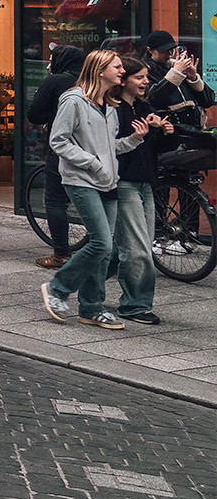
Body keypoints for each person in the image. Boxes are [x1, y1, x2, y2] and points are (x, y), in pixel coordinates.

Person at [40, 50, 149, 330]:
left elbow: (109, 147)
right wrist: (92, 163)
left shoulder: (109, 105)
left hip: (107, 181)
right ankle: (57, 288)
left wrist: (134, 140)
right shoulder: (73, 100)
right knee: (101, 243)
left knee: (102, 249)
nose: (122, 72)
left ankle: (91, 308)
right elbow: (59, 141)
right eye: (117, 67)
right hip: (81, 180)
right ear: (99, 70)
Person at [109, 60, 170, 326]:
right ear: (124, 80)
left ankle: (77, 282)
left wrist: (165, 132)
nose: (145, 82)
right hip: (124, 182)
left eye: (146, 77)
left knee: (118, 250)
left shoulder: (145, 108)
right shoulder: (113, 109)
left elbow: (156, 148)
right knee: (138, 250)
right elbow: (109, 146)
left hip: (146, 182)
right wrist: (137, 137)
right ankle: (135, 305)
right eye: (139, 77)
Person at [26, 44, 86, 269]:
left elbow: (35, 113)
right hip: (94, 147)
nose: (49, 64)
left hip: (64, 147)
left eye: (52, 59)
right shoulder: (91, 81)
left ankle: (61, 253)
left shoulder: (55, 81)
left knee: (54, 199)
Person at [144, 31, 215, 129]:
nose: (169, 54)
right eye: (164, 51)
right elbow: (153, 98)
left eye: (171, 50)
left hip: (193, 129)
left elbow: (208, 101)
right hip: (169, 129)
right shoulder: (146, 72)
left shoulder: (178, 67)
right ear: (150, 50)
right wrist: (175, 74)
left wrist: (193, 78)